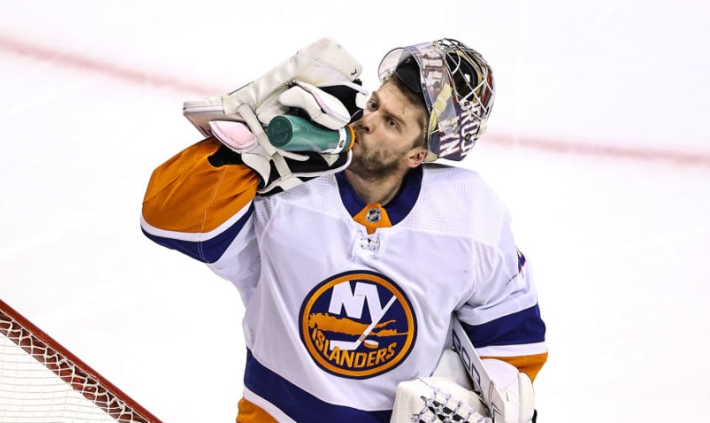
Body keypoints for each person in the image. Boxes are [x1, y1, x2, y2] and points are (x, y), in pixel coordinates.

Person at [141, 37, 547, 422]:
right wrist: (251, 143)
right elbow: (164, 216)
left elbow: (512, 346)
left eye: (391, 122)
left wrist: (474, 402)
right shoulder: (284, 186)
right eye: (373, 103)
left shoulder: (469, 214)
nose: (367, 121)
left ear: (418, 154)